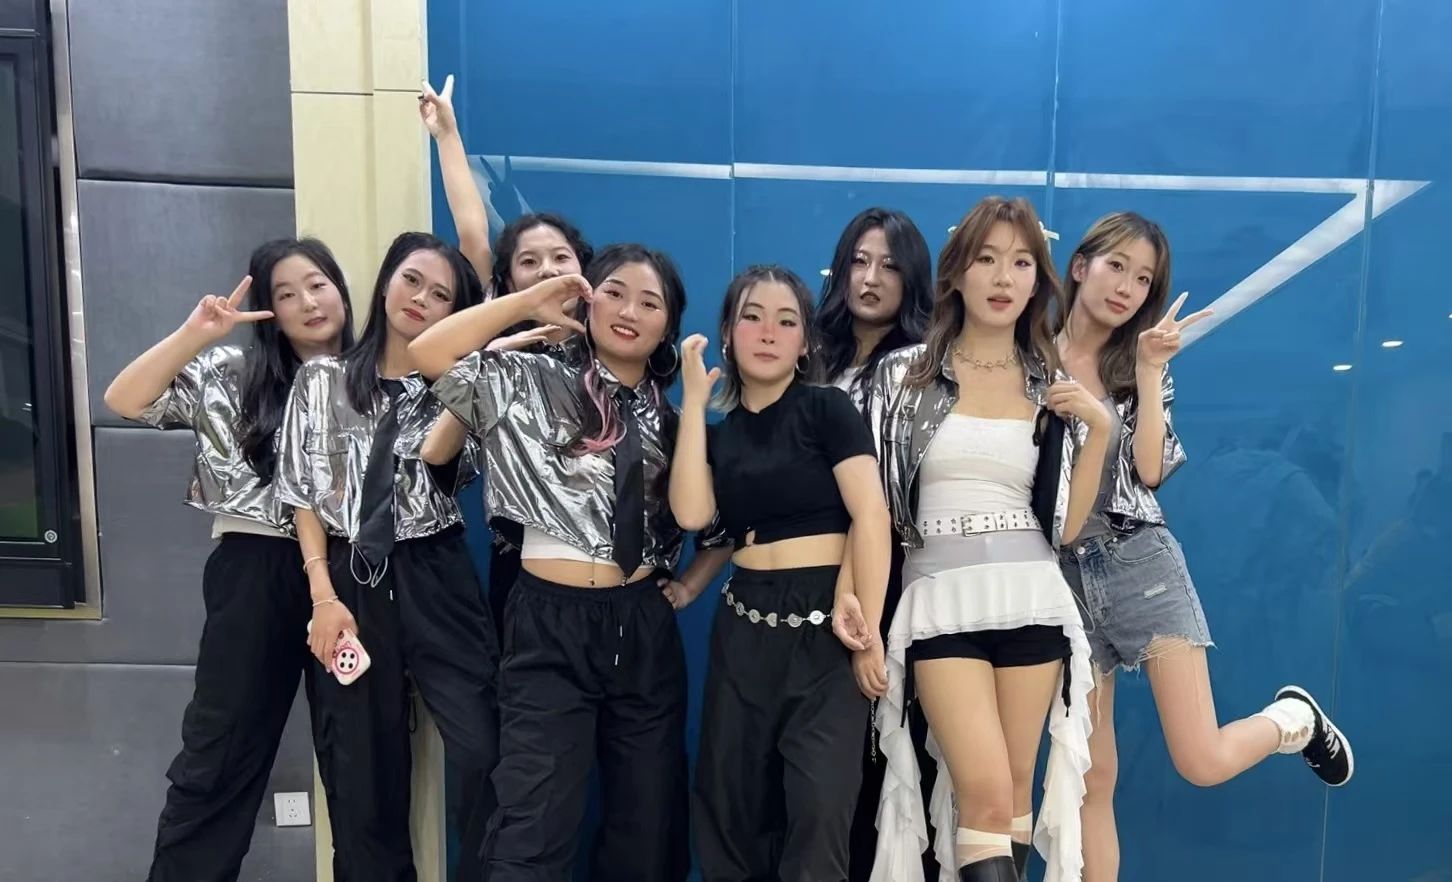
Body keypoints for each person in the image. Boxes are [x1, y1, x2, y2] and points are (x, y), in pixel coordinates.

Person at [410, 246, 732, 882]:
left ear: (667, 327)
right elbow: (428, 352)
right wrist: (529, 301)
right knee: (533, 816)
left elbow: (719, 528)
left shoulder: (677, 420)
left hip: (642, 623)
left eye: (650, 303)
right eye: (614, 293)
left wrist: (691, 586)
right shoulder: (530, 378)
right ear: (587, 302)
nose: (629, 311)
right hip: (547, 622)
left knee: (648, 821)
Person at [1053, 211, 1353, 882]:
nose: (1126, 287)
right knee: (1090, 775)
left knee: (1201, 760)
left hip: (1140, 565)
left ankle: (1293, 720)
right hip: (1059, 575)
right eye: (1116, 266)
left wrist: (1149, 371)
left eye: (1143, 278)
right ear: (1079, 266)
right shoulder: (1031, 359)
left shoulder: (1139, 364)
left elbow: (1150, 471)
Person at [867, 196, 1109, 882]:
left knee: (1013, 793)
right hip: (939, 599)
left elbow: (1064, 528)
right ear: (957, 274)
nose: (1004, 277)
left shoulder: (1049, 386)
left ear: (1037, 282)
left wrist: (1100, 430)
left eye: (1022, 263)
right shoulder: (902, 375)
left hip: (1032, 597)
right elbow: (874, 509)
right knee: (985, 791)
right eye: (987, 259)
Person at [104, 238, 353, 881]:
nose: (308, 302)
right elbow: (124, 399)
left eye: (318, 284)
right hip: (256, 568)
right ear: (268, 310)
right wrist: (196, 334)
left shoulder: (371, 377)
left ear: (341, 289)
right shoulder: (232, 372)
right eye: (286, 294)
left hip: (354, 573)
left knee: (360, 760)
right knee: (221, 751)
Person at [668, 265, 891, 881]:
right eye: (752, 317)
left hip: (826, 626)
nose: (768, 332)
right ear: (728, 332)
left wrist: (867, 629)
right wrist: (694, 404)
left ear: (806, 342)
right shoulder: (722, 436)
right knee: (731, 809)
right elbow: (692, 514)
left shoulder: (826, 409)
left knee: (820, 811)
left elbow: (872, 514)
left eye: (786, 321)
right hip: (744, 625)